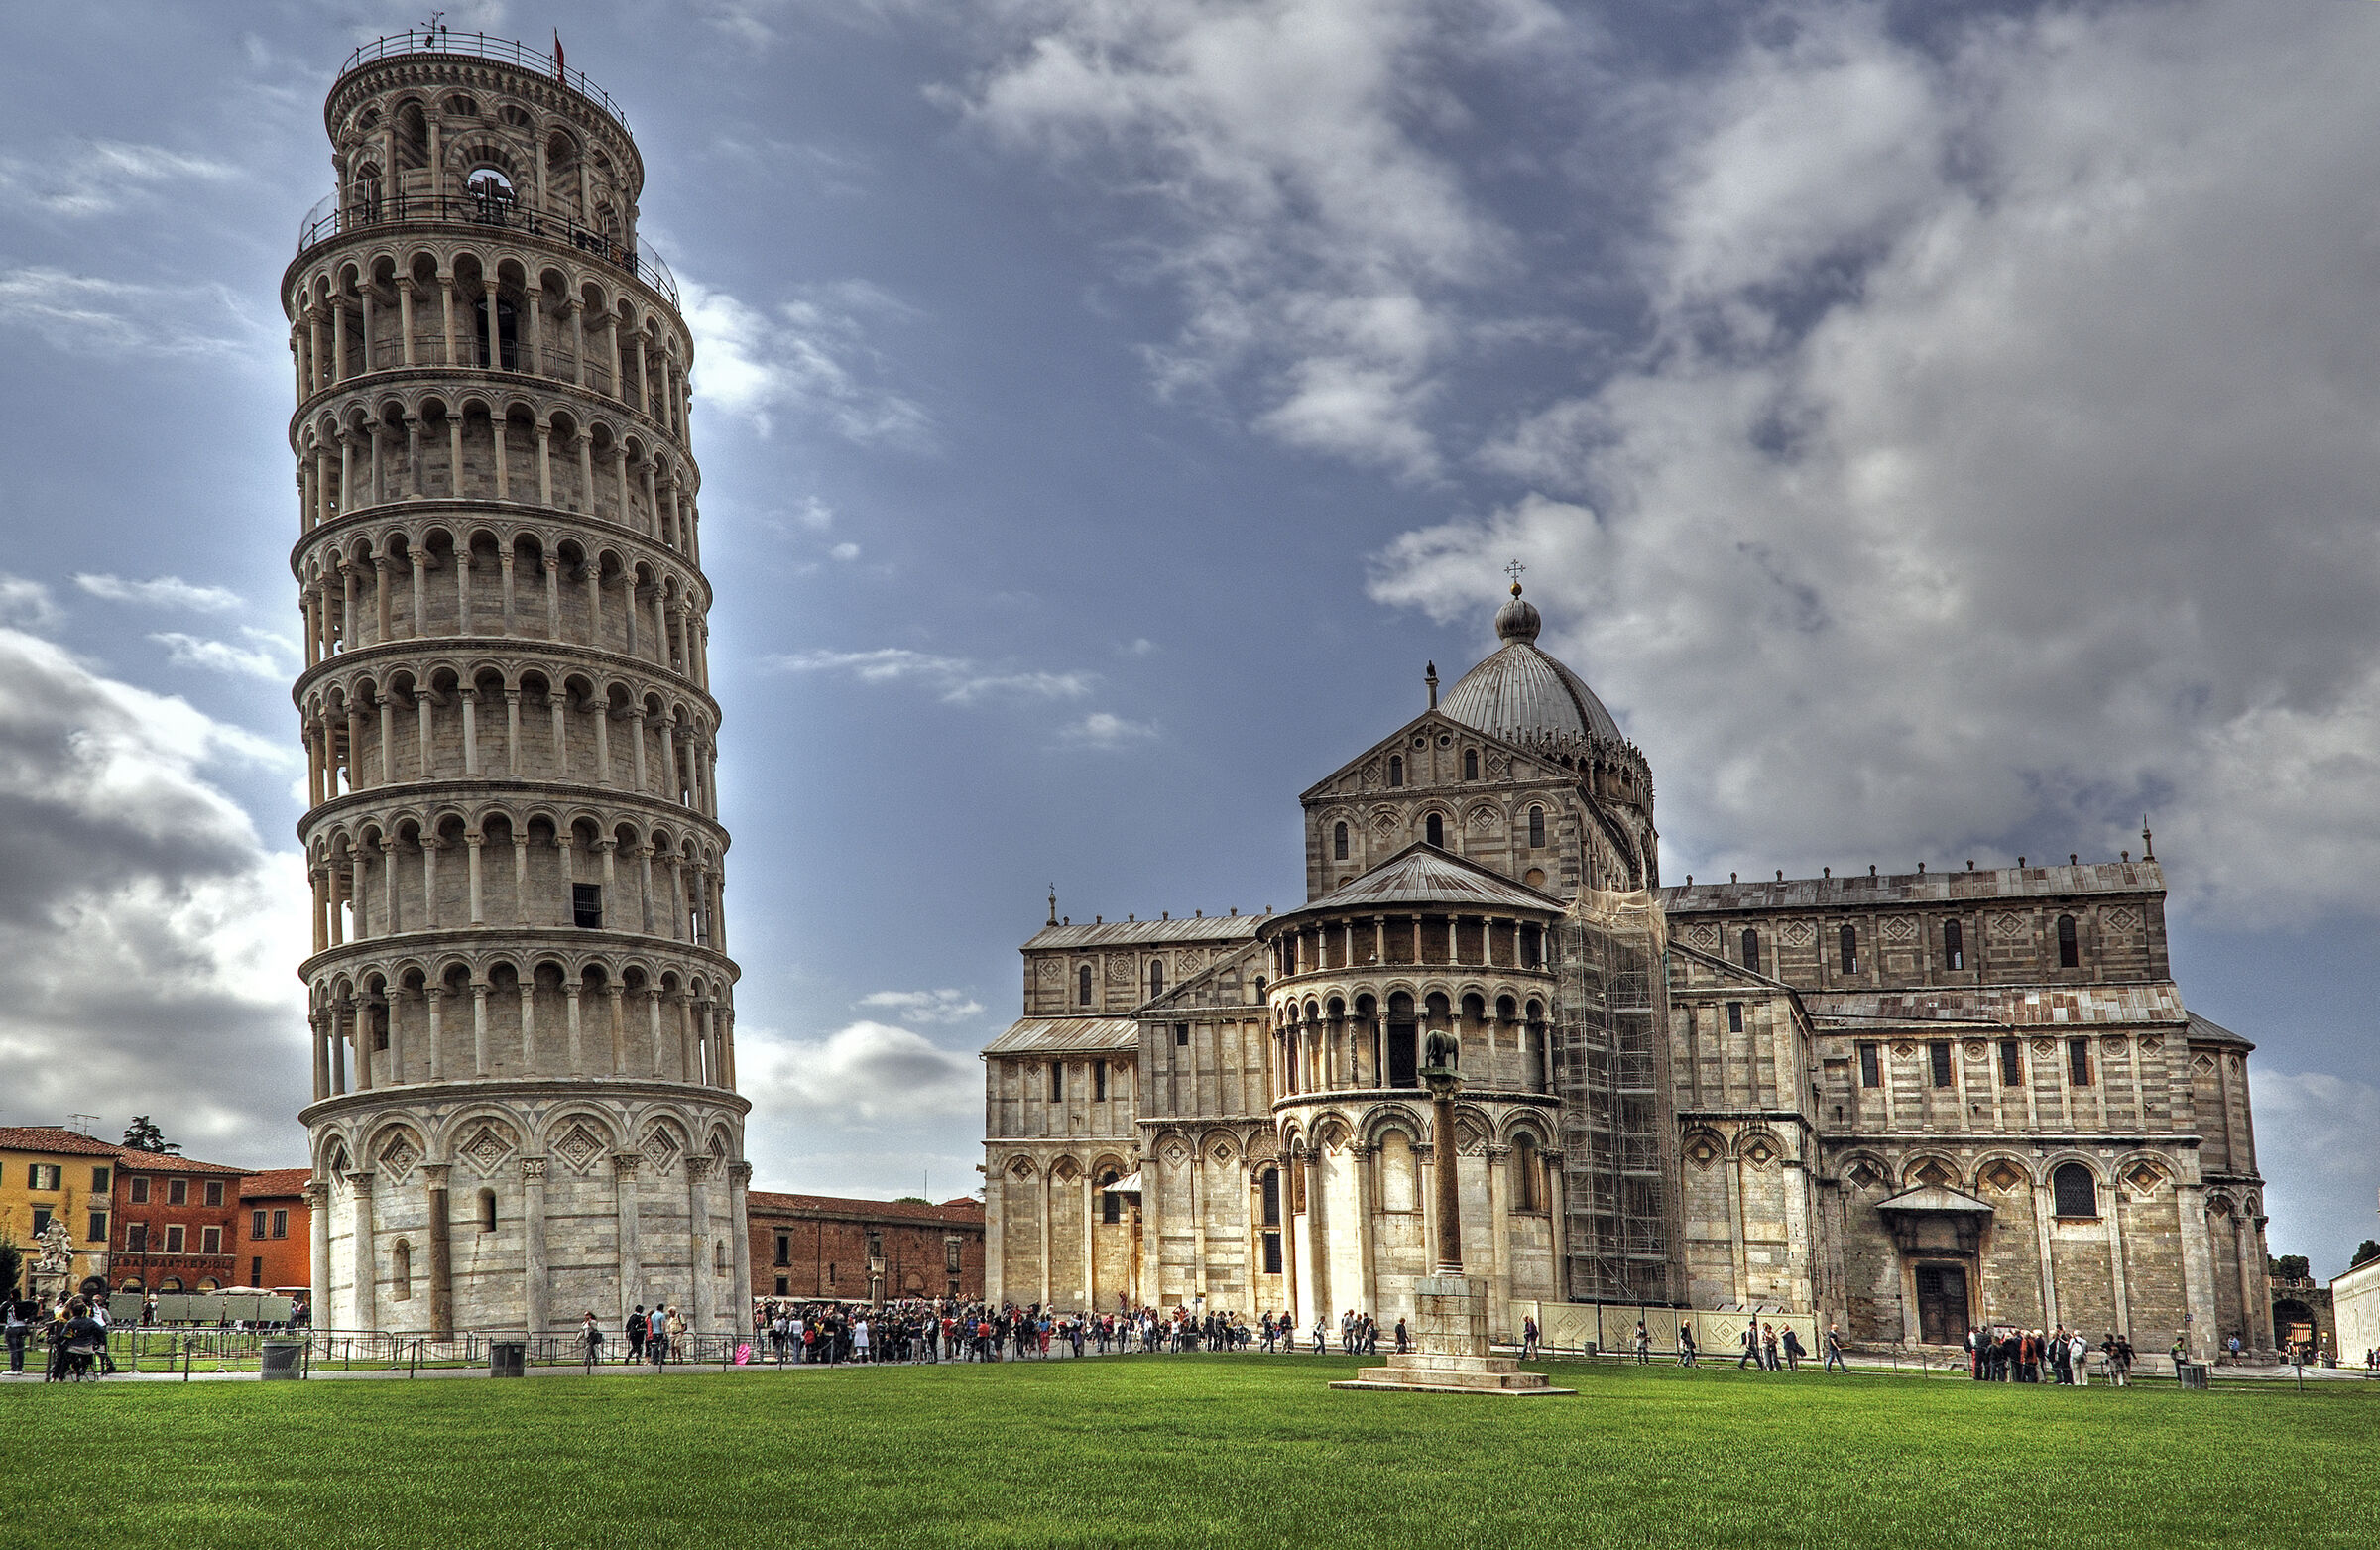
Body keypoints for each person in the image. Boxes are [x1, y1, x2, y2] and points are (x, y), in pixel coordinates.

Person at [3, 1299, 25, 1374]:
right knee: (20, 1348)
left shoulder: (8, 1305)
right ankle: (20, 1368)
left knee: (13, 1349)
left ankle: (14, 1368)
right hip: (22, 1326)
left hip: (12, 1326)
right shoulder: (22, 1305)